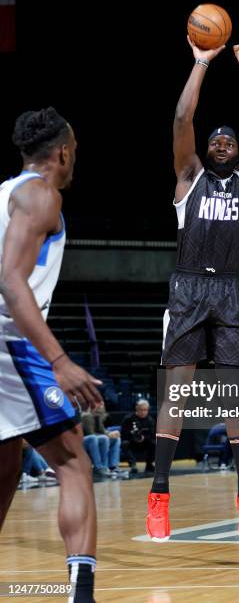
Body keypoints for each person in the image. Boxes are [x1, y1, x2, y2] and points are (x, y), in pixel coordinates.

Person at [146, 25, 239, 543]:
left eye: (228, 140)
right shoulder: (188, 176)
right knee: (176, 393)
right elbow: (181, 118)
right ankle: (158, 495)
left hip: (228, 291)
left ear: (236, 152)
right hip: (189, 286)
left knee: (234, 393)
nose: (221, 142)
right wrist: (202, 61)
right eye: (214, 138)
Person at [0, 107, 103, 602]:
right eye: (75, 148)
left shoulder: (3, 193)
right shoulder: (42, 195)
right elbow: (11, 281)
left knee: (6, 466)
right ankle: (81, 594)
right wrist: (59, 362)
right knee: (73, 462)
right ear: (63, 151)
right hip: (10, 344)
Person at [81, 401, 122, 477]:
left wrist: (111, 434)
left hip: (94, 440)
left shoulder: (97, 417)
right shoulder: (86, 416)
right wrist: (108, 435)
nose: (100, 407)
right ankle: (99, 467)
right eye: (98, 404)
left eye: (101, 405)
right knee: (102, 438)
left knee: (116, 439)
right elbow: (90, 433)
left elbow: (102, 431)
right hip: (81, 442)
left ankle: (113, 466)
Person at [121, 399, 155, 473]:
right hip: (131, 442)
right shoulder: (128, 419)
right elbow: (123, 434)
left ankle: (149, 465)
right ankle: (133, 464)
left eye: (145, 410)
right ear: (137, 409)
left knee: (154, 443)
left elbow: (152, 434)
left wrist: (144, 438)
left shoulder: (150, 420)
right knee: (124, 443)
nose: (143, 412)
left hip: (144, 442)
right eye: (141, 410)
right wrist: (133, 437)